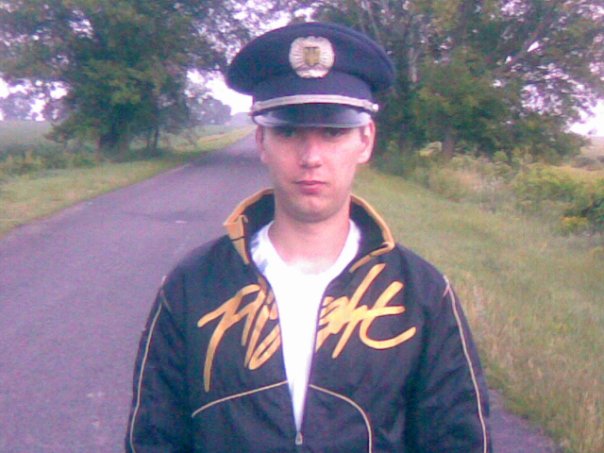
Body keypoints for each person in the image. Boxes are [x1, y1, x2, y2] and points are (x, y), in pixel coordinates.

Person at [125, 22, 491, 452]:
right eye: (288, 132)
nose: (311, 157)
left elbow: (458, 440)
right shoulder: (193, 285)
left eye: (333, 133)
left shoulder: (422, 293)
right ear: (262, 141)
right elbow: (154, 439)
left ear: (365, 141)